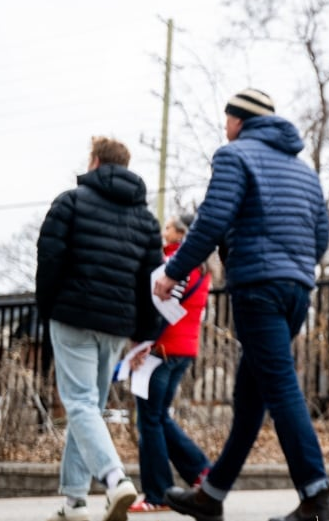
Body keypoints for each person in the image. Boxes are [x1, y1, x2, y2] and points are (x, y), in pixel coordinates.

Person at [154, 88, 329, 521]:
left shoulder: (234, 156)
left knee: (281, 387)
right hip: (296, 290)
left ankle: (317, 496)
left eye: (226, 118)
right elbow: (322, 237)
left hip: (258, 289)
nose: (224, 126)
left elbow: (213, 219)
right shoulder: (303, 171)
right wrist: (292, 264)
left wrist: (173, 272)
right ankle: (211, 495)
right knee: (250, 395)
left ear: (239, 120)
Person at [36, 136, 163, 521]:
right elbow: (150, 278)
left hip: (73, 316)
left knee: (78, 402)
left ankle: (115, 479)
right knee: (87, 406)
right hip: (116, 325)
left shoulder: (70, 202)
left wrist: (48, 306)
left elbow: (49, 257)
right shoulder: (146, 218)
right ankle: (75, 502)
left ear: (94, 162)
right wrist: (146, 330)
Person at [128, 214, 212, 513]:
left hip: (162, 349)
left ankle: (157, 493)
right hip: (184, 349)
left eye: (168, 227)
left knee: (149, 420)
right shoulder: (203, 268)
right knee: (159, 416)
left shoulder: (177, 263)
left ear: (181, 233)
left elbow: (165, 306)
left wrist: (142, 344)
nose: (163, 231)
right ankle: (201, 472)